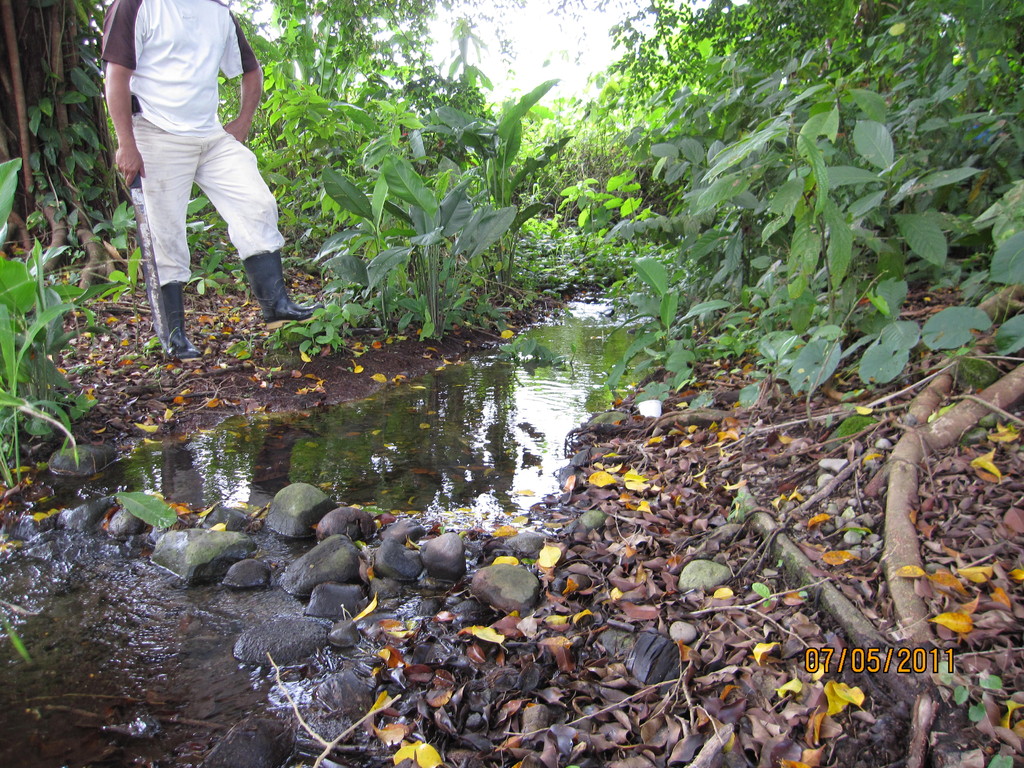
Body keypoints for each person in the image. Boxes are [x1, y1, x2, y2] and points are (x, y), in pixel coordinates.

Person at [101, 0, 318, 359]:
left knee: (256, 203)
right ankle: (173, 336)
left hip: (211, 134)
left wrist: (243, 121)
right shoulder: (136, 5)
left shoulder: (218, 11)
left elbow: (252, 71)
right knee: (165, 231)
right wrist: (126, 143)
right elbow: (116, 75)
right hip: (156, 132)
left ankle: (276, 306)